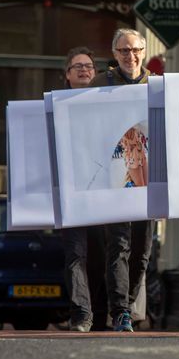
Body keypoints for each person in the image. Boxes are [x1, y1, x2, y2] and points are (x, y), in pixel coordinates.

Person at [89, 28, 154, 333]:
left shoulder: (158, 84)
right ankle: (121, 312)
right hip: (113, 179)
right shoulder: (101, 84)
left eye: (137, 50)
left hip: (149, 180)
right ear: (115, 55)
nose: (132, 56)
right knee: (119, 246)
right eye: (125, 51)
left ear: (144, 51)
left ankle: (126, 301)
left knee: (141, 251)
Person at [60, 47, 107, 332]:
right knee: (75, 254)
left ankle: (98, 315)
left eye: (88, 66)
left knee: (100, 257)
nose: (83, 70)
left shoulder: (106, 103)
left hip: (103, 193)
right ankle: (80, 314)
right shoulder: (54, 105)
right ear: (67, 75)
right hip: (71, 192)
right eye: (77, 66)